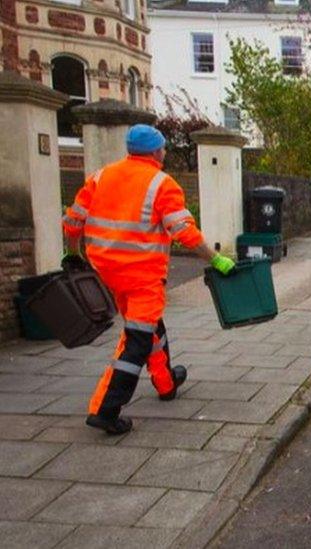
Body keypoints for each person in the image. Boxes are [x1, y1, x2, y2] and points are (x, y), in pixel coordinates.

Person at [62, 124, 236, 434]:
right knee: (136, 341)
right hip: (142, 276)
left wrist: (74, 255)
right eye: (164, 148)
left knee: (150, 326)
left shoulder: (101, 176)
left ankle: (166, 382)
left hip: (106, 274)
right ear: (156, 151)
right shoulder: (161, 184)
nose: (165, 153)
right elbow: (184, 232)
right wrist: (216, 259)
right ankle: (106, 408)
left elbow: (73, 221)